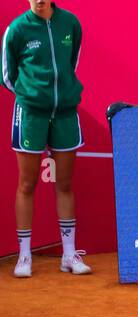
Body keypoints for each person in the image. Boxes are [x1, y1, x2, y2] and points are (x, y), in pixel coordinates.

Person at [2, 0, 90, 278]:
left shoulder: (71, 23)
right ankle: (24, 256)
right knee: (27, 184)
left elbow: (70, 63)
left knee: (64, 183)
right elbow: (7, 75)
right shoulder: (16, 30)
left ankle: (68, 255)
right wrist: (32, 96)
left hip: (64, 113)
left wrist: (60, 95)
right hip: (30, 115)